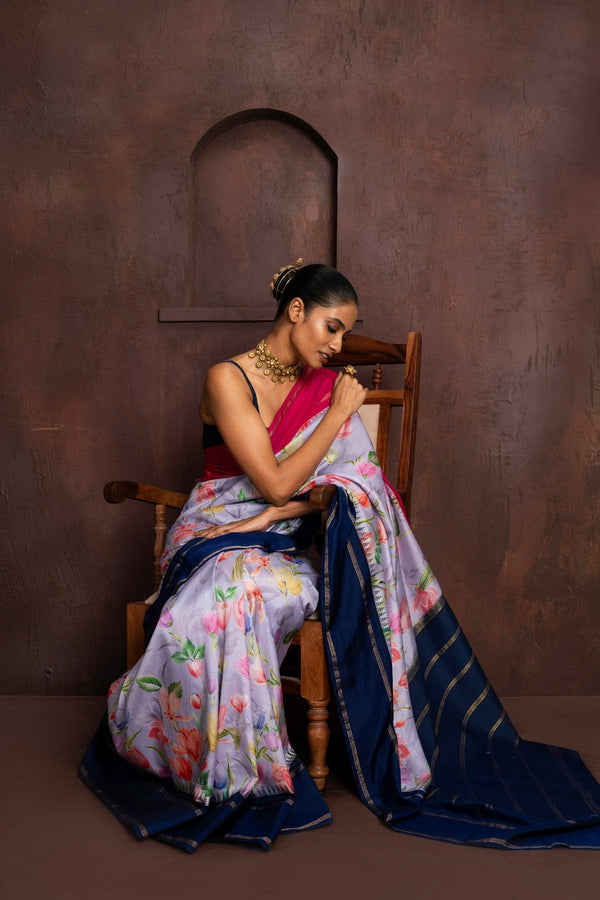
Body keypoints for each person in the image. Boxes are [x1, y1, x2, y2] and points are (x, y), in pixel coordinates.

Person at [80, 260, 600, 852]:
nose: (337, 345)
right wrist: (332, 421)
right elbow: (273, 482)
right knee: (229, 592)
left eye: (346, 334)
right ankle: (215, 767)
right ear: (295, 310)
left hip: (294, 541)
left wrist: (277, 515)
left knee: (248, 591)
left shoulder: (327, 386)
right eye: (332, 327)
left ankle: (240, 768)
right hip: (217, 526)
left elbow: (357, 487)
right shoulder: (228, 378)